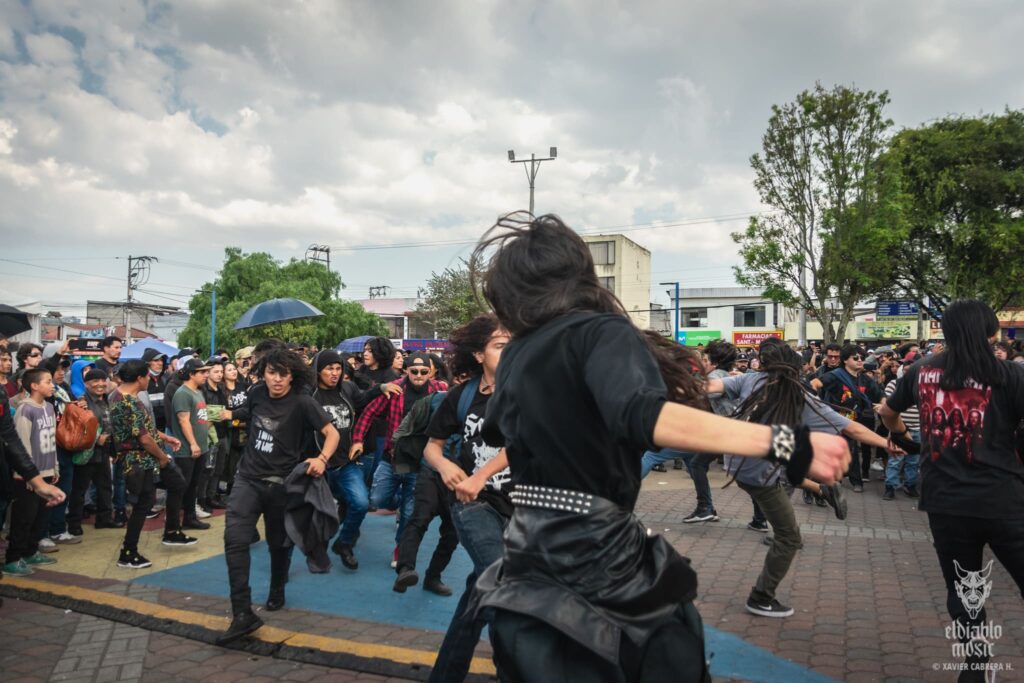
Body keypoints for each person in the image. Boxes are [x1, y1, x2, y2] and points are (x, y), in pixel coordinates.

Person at [464, 214, 848, 682]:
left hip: (528, 553)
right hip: (597, 561)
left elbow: (495, 431)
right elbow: (642, 416)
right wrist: (786, 441)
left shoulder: (520, 354)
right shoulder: (598, 332)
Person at [880, 300, 1024, 682]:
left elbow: (886, 411)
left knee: (963, 588)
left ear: (945, 331)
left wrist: (901, 436)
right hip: (1003, 498)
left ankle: (974, 667)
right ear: (992, 333)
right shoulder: (1010, 374)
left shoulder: (920, 371)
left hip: (945, 501)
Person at [707, 338, 899, 618]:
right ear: (795, 368)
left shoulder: (750, 380)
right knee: (789, 537)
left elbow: (710, 387)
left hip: (736, 459)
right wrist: (887, 444)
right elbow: (853, 429)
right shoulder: (800, 396)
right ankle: (761, 597)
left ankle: (821, 489)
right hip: (758, 471)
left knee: (794, 451)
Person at [216, 348, 339, 646]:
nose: (277, 380)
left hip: (282, 485)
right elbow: (245, 413)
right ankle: (242, 613)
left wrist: (321, 459)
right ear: (264, 373)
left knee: (278, 544)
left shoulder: (303, 403)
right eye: (272, 372)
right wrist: (222, 414)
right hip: (247, 480)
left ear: (293, 375)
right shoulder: (257, 393)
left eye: (283, 374)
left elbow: (332, 433)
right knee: (234, 539)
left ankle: (276, 589)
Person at [425, 314, 513, 682]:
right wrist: (445, 467)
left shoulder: (529, 392)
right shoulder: (461, 396)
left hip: (524, 508)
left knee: (477, 595)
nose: (509, 352)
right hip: (474, 505)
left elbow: (525, 443)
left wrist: (482, 473)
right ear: (479, 354)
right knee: (501, 588)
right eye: (499, 345)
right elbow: (432, 446)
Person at [350, 354, 447, 568]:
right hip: (392, 457)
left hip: (420, 462)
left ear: (430, 372)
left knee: (410, 511)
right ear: (407, 371)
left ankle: (400, 548)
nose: (419, 375)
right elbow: (367, 413)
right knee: (377, 499)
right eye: (414, 371)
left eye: (424, 371)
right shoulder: (393, 390)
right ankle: (399, 503)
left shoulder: (440, 391)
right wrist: (357, 440)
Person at [310, 349, 400, 570]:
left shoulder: (348, 389)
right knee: (317, 514)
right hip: (316, 463)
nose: (334, 373)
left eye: (338, 368)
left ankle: (345, 542)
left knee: (360, 504)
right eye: (329, 368)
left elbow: (364, 400)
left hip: (345, 462)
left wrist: (381, 388)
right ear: (318, 370)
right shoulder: (308, 394)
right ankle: (315, 556)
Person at [109, 360, 189, 569]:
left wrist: (164, 437)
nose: (148, 381)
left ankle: (171, 532)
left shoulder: (120, 396)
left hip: (142, 457)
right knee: (144, 503)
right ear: (139, 378)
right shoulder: (129, 402)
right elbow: (143, 438)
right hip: (138, 459)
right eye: (146, 377)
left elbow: (145, 430)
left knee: (175, 485)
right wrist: (163, 457)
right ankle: (128, 552)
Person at [3, 368, 62, 576]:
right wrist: (28, 474)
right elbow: (22, 444)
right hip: (28, 476)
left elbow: (52, 440)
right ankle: (13, 558)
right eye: (47, 381)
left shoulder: (48, 407)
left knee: (40, 517)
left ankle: (30, 551)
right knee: (23, 518)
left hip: (46, 471)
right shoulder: (25, 409)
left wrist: (54, 466)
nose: (52, 384)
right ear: (34, 386)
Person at [817, 344, 883, 492]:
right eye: (856, 358)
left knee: (851, 450)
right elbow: (814, 384)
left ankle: (855, 481)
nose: (860, 360)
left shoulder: (864, 379)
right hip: (833, 421)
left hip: (853, 421)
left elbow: (880, 394)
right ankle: (832, 480)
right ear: (845, 360)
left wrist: (882, 405)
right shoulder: (835, 375)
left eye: (862, 358)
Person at [66, 368, 123, 536]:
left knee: (105, 486)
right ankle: (74, 524)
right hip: (86, 452)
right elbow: (78, 426)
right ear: (86, 384)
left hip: (104, 451)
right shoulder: (81, 401)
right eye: (95, 382)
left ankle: (104, 519)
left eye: (102, 380)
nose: (100, 384)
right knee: (79, 490)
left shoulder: (106, 398)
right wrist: (97, 438)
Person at [170, 359, 214, 531]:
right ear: (191, 374)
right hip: (188, 450)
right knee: (182, 487)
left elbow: (199, 417)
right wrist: (193, 444)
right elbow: (183, 421)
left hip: (201, 447)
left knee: (193, 485)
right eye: (202, 372)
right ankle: (173, 525)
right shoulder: (183, 393)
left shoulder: (197, 391)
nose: (206, 375)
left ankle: (190, 518)